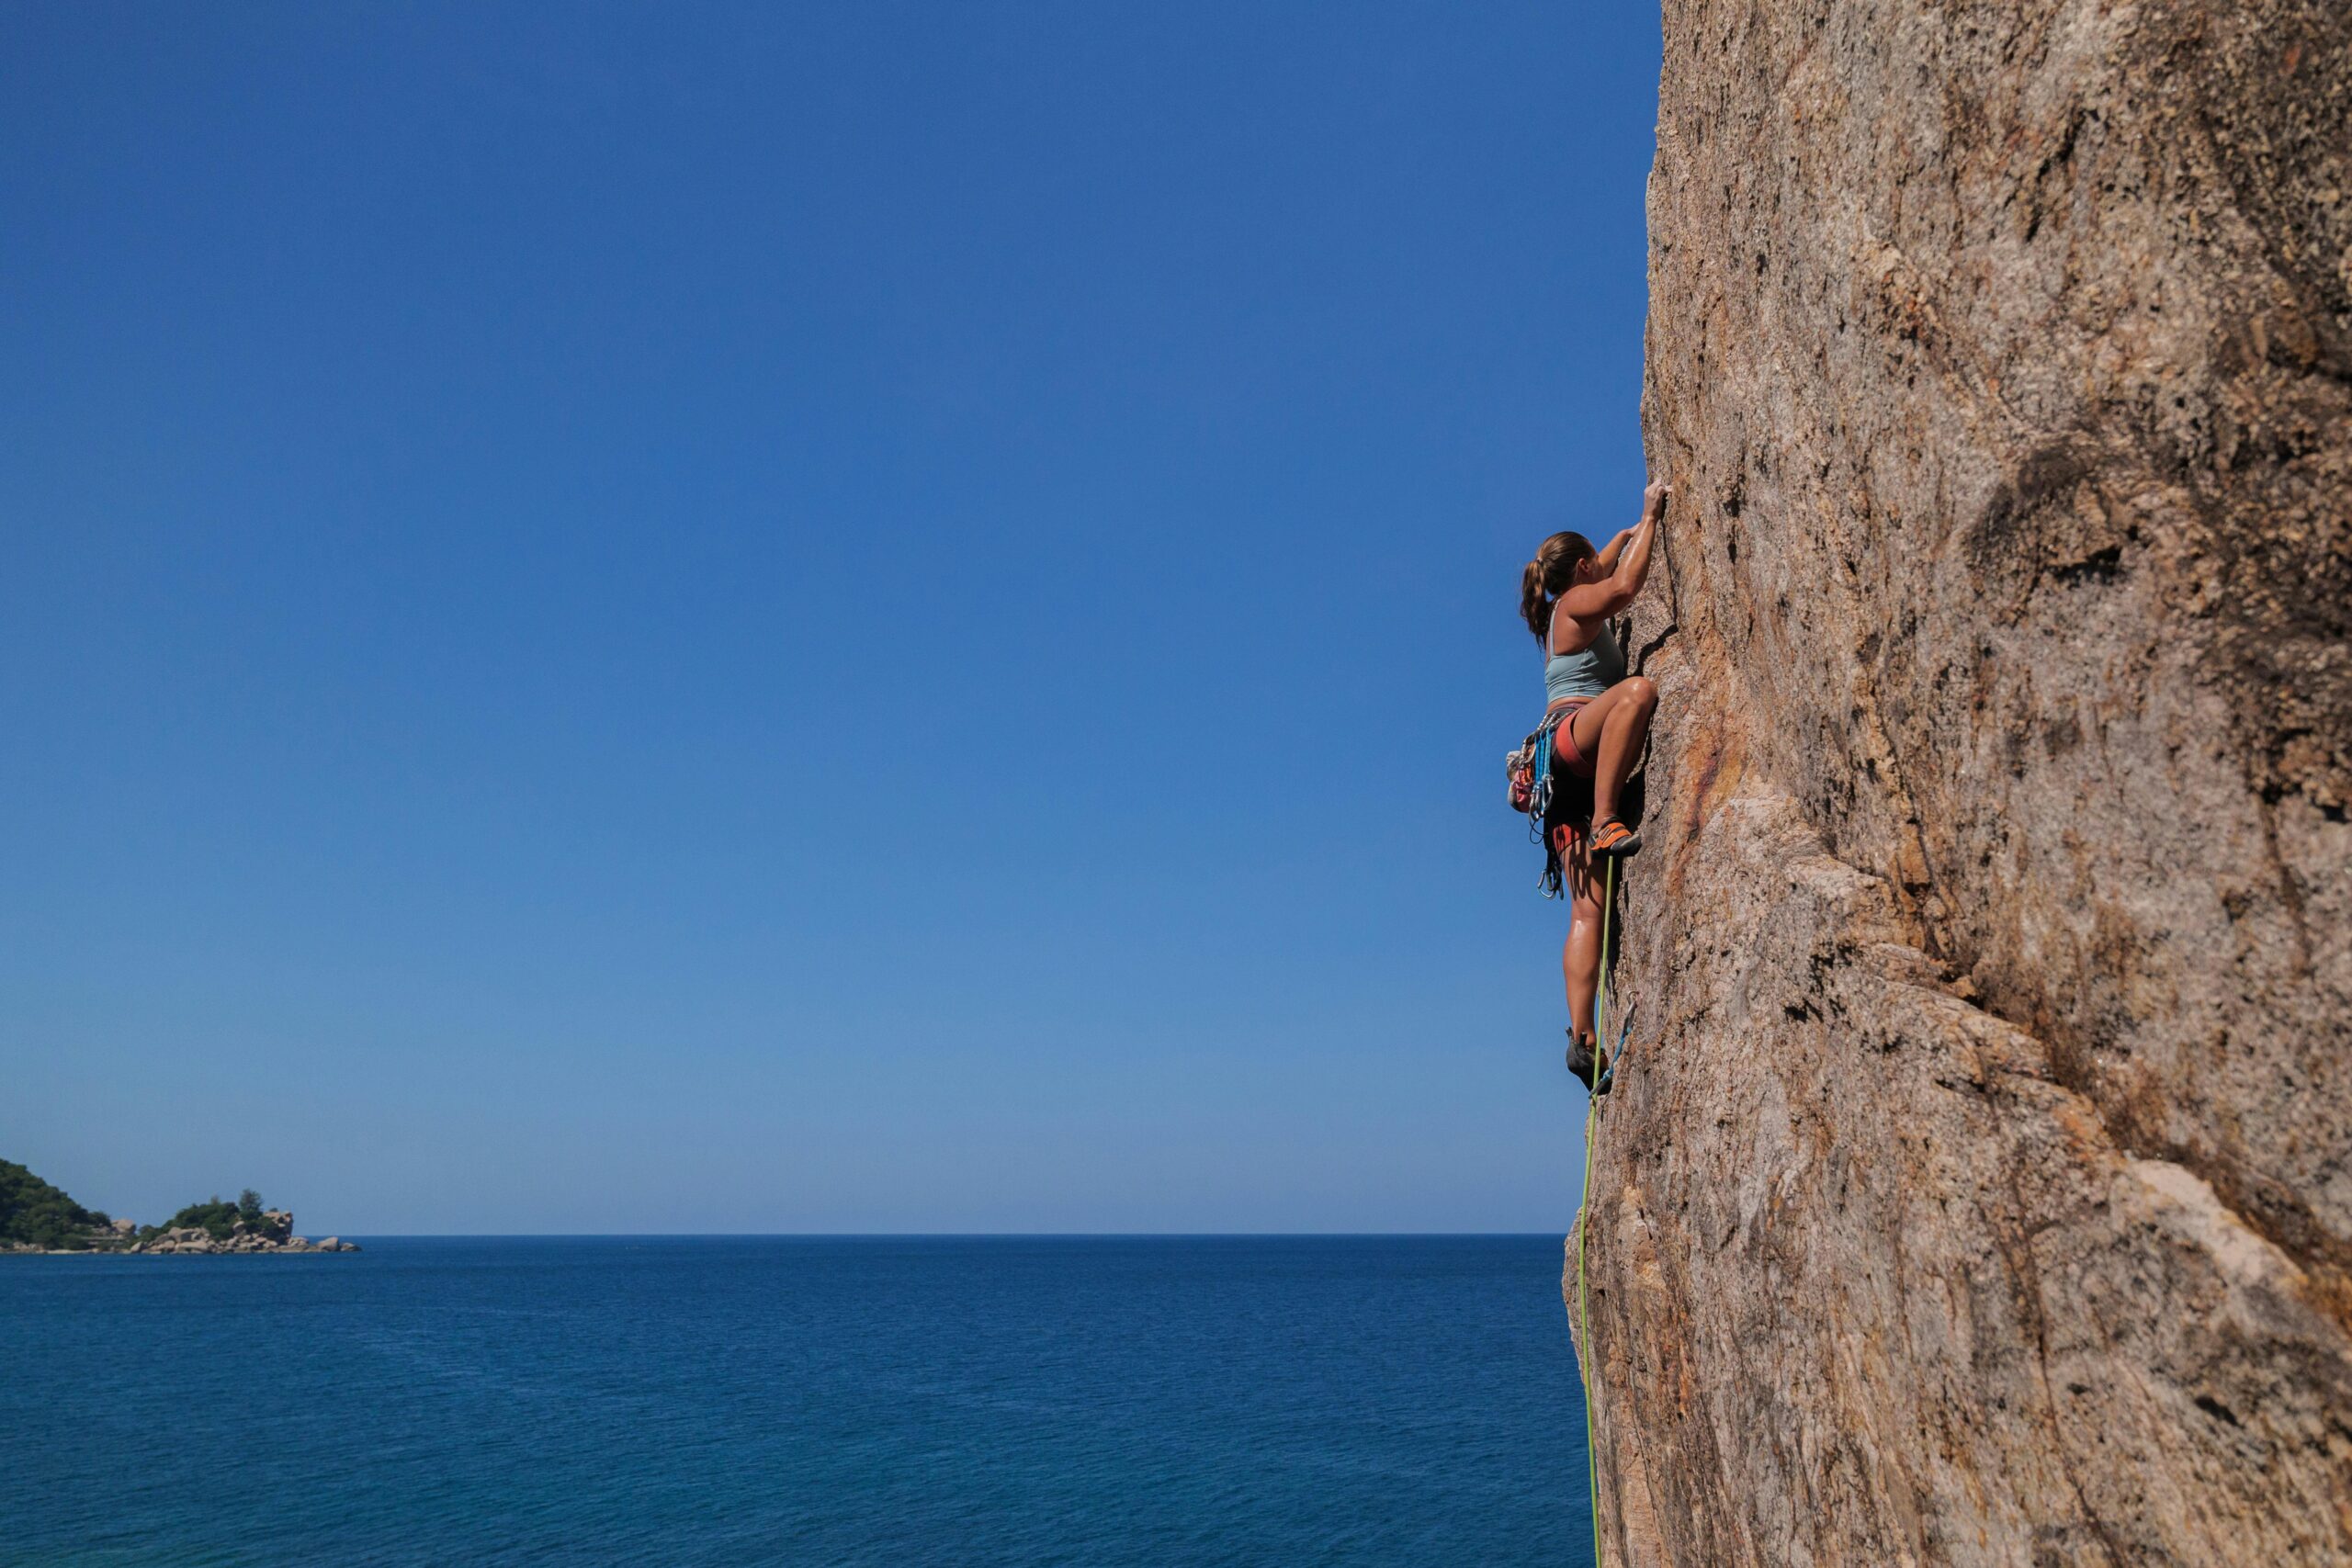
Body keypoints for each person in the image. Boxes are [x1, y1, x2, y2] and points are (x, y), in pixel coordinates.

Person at [1520, 479, 1666, 1085]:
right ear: (1580, 571)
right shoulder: (1576, 607)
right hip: (1572, 744)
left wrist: (1625, 533)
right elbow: (1624, 586)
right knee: (1637, 692)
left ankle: (1582, 1037)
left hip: (1555, 778)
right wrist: (1653, 515)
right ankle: (1608, 818)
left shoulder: (1562, 608)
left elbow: (1605, 566)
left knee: (1587, 912)